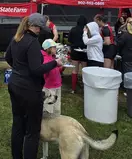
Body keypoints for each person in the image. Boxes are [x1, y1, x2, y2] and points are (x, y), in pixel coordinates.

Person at [5, 13, 62, 159]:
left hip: (15, 84)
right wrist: (55, 63)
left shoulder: (17, 38)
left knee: (18, 124)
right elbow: (36, 70)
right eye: (39, 28)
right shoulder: (32, 42)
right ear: (32, 26)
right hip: (29, 90)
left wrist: (19, 70)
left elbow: (7, 57)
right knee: (32, 131)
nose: (40, 31)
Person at [41, 39, 65, 115]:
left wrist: (62, 67)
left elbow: (57, 71)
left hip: (57, 85)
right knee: (48, 107)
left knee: (57, 105)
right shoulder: (44, 58)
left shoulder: (53, 57)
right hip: (49, 87)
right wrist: (54, 64)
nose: (56, 49)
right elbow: (44, 71)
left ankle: (56, 118)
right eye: (54, 47)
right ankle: (47, 122)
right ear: (48, 48)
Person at [68, 15, 88, 93]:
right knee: (84, 71)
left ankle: (73, 88)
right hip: (84, 51)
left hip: (75, 51)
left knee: (74, 70)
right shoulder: (86, 30)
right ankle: (85, 88)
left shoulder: (73, 29)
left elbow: (69, 40)